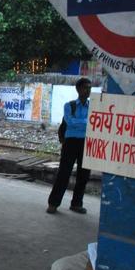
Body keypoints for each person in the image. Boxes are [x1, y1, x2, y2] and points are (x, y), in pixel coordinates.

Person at [47, 78, 92, 214]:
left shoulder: (93, 106)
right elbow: (70, 122)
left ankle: (76, 204)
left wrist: (81, 122)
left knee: (83, 175)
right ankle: (53, 203)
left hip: (86, 142)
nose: (88, 90)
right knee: (64, 173)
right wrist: (86, 122)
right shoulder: (69, 105)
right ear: (78, 89)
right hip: (71, 142)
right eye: (85, 88)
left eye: (89, 88)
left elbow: (93, 123)